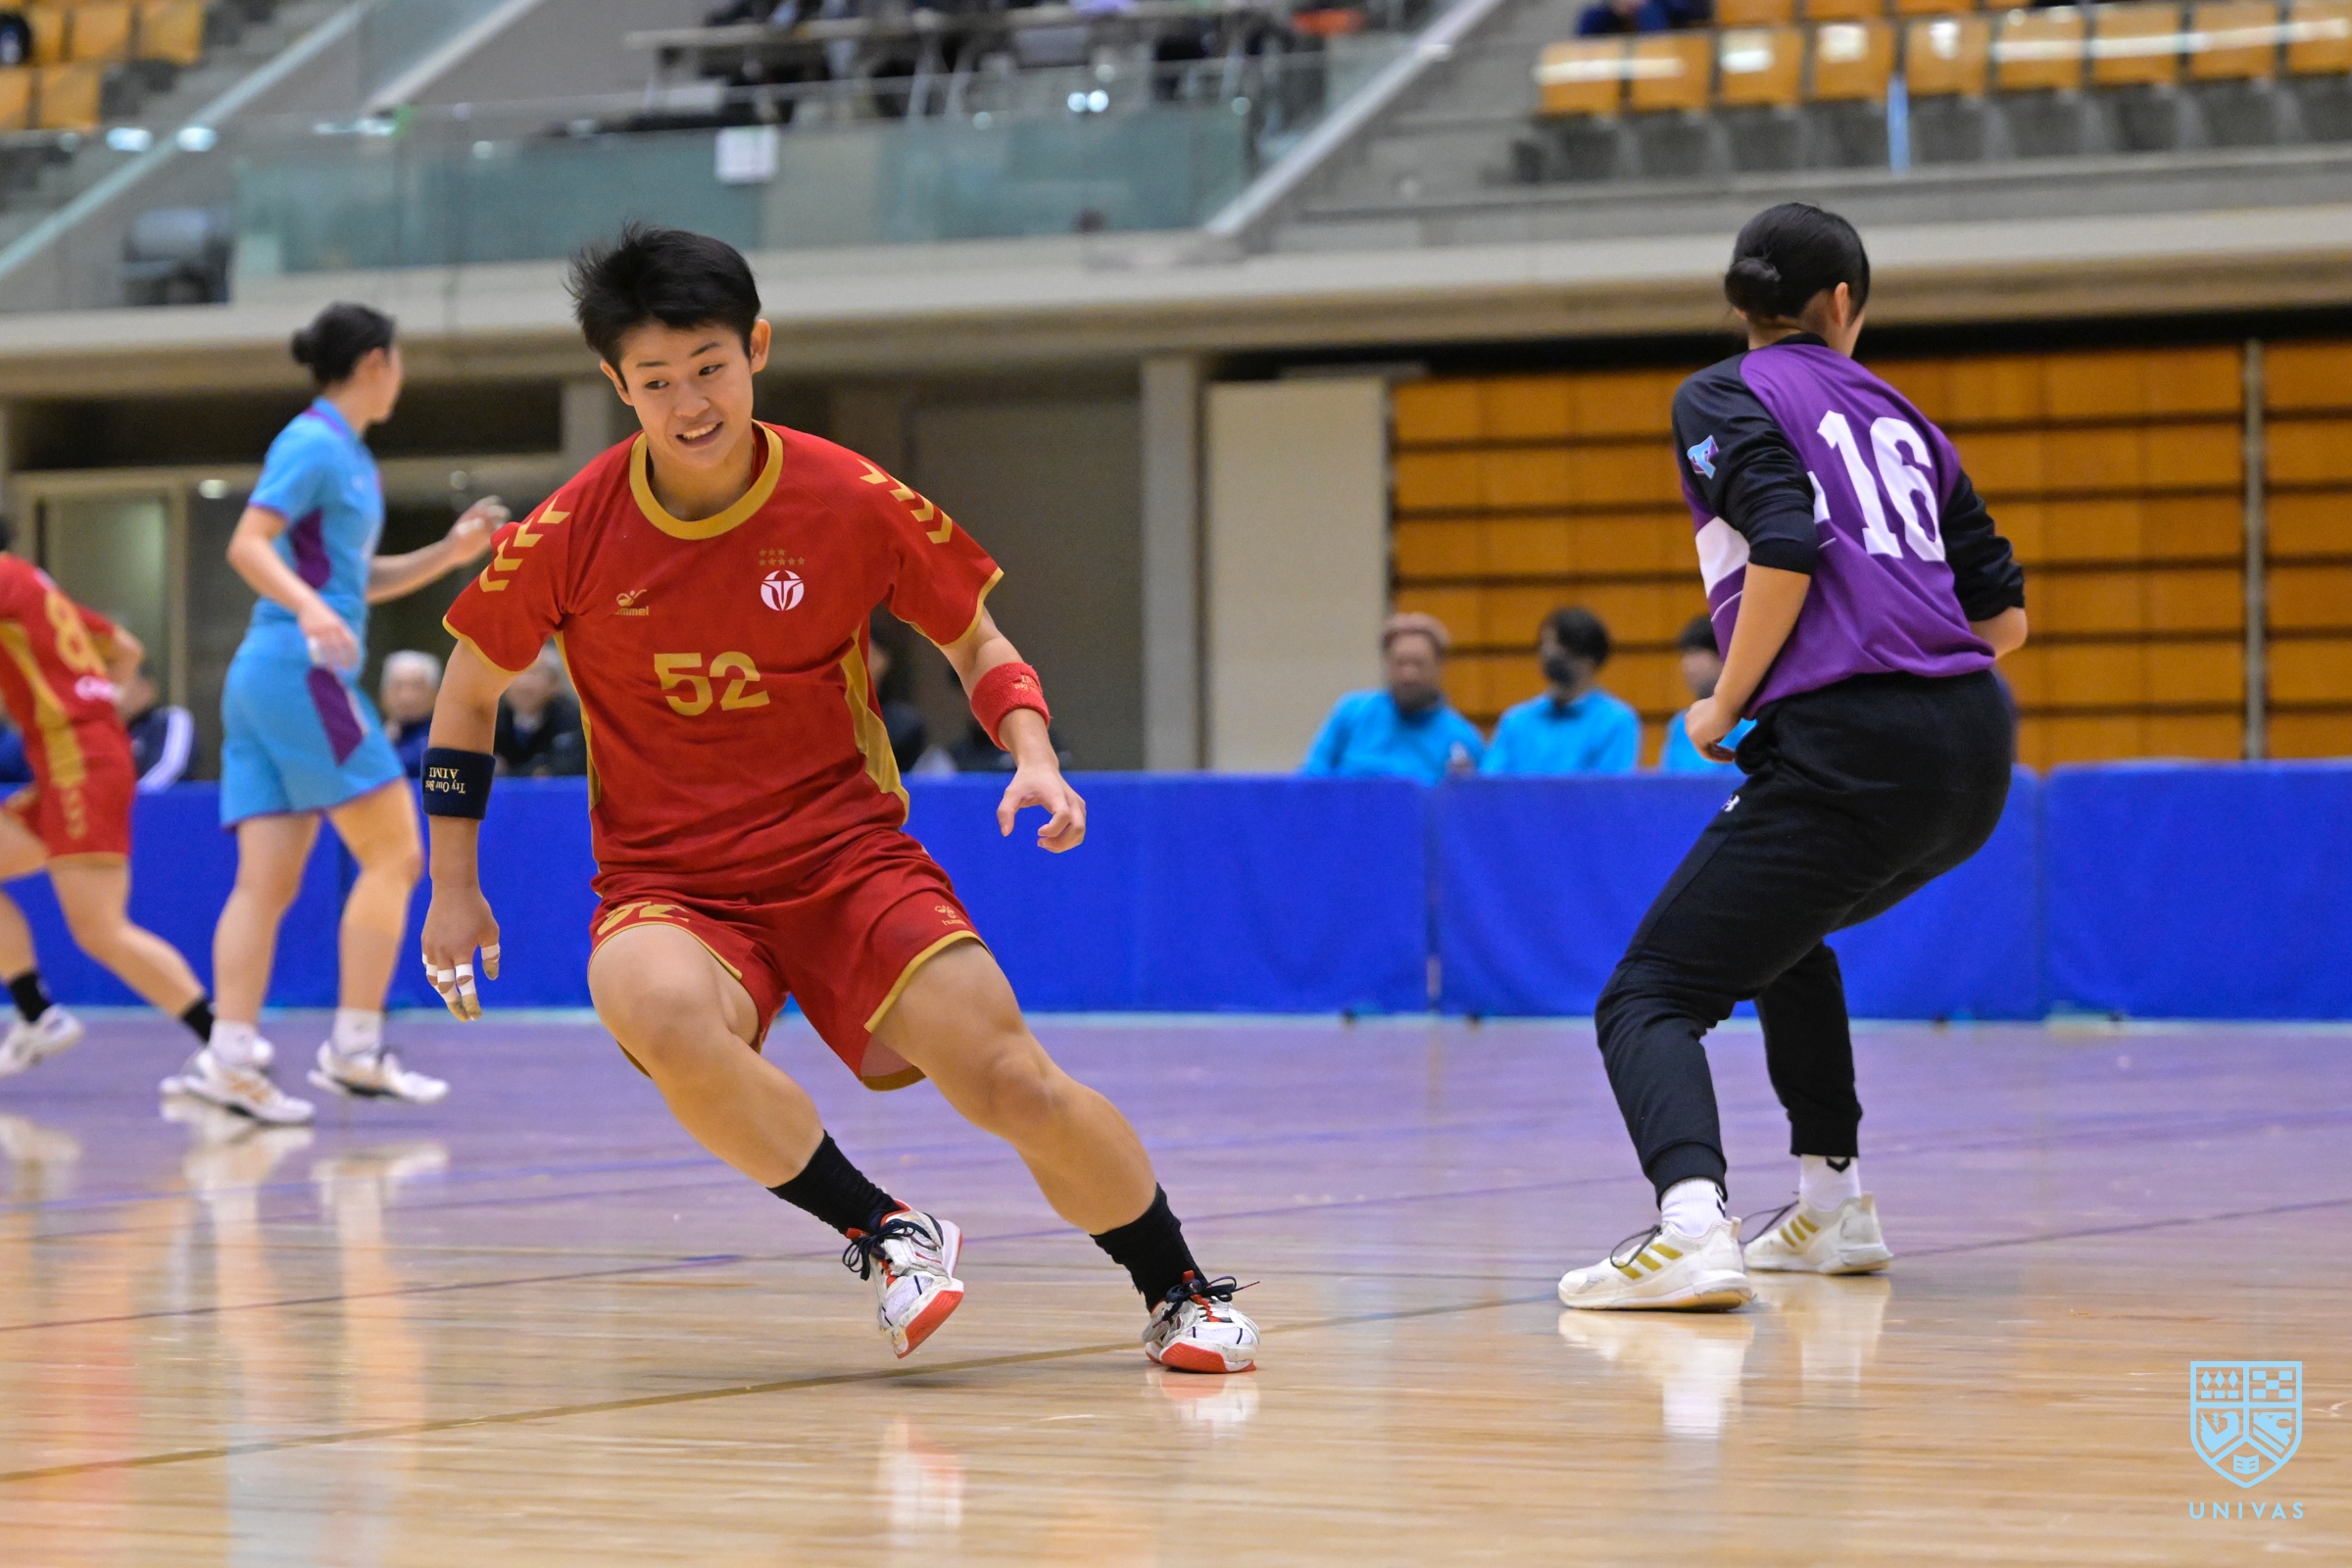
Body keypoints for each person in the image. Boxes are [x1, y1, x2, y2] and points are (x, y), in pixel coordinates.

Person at [419, 225, 1257, 1373]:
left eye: (710, 367)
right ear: (618, 385)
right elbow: (465, 697)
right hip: (674, 886)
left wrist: (1032, 750)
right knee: (648, 1001)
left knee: (1010, 1079)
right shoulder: (570, 532)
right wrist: (453, 886)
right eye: (656, 381)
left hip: (847, 863)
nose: (690, 403)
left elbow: (976, 637)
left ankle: (1179, 1288)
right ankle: (885, 1229)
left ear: (756, 348)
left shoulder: (848, 497)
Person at [1554, 204, 2027, 1311]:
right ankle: (1831, 1205)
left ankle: (1690, 1227)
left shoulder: (1723, 393)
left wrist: (1723, 699)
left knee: (1648, 996)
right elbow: (2004, 620)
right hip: (1974, 751)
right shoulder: (1907, 418)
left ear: (1741, 302)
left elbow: (1784, 541)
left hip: (1851, 747)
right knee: (1785, 938)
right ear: (1844, 303)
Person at [184, 303, 503, 1127]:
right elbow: (248, 544)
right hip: (301, 669)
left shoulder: (349, 457)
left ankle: (228, 1059)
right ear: (373, 362)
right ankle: (356, 1049)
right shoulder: (315, 443)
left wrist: (449, 554)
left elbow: (355, 579)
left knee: (266, 881)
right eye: (398, 359)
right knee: (396, 853)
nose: (401, 374)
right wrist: (311, 610)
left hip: (265, 675)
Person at [0, 517, 225, 1082]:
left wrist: (84, 722)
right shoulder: (32, 582)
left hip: (78, 761)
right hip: (77, 756)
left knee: (100, 928)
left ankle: (227, 1050)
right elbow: (126, 649)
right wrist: (99, 710)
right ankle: (37, 1014)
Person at [1301, 612, 1485, 783]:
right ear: (1387, 664)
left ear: (1439, 666)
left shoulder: (1462, 739)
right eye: (1400, 663)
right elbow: (1310, 782)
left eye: (1418, 664)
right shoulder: (1351, 715)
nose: (1408, 675)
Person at [1479, 607, 1641, 776]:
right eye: (1544, 644)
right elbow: (1491, 783)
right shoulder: (1516, 721)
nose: (1547, 652)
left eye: (1558, 644)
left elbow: (1612, 787)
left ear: (1588, 657)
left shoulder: (1616, 721)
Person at [1658, 615, 1754, 774]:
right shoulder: (1680, 725)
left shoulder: (1754, 721)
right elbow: (1669, 783)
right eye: (1685, 655)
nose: (1687, 665)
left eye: (1696, 653)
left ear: (1725, 658)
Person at [492, 648, 587, 777]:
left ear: (554, 683)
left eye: (535, 673)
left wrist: (507, 772)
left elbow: (567, 766)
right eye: (517, 673)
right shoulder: (492, 717)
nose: (524, 684)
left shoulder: (572, 717)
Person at [115, 666, 194, 790]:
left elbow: (172, 766)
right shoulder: (104, 730)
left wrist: (126, 797)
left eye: (118, 683)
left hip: (165, 801)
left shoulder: (171, 719)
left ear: (147, 688)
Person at [378, 650, 442, 778]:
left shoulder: (442, 741)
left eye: (417, 687)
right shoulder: (376, 736)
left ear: (436, 694)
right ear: (384, 695)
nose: (407, 697)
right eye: (398, 686)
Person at [1577, 0, 1709, 35]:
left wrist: (1647, 5)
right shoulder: (1597, 16)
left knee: (1651, 11)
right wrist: (1616, 6)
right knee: (1593, 16)